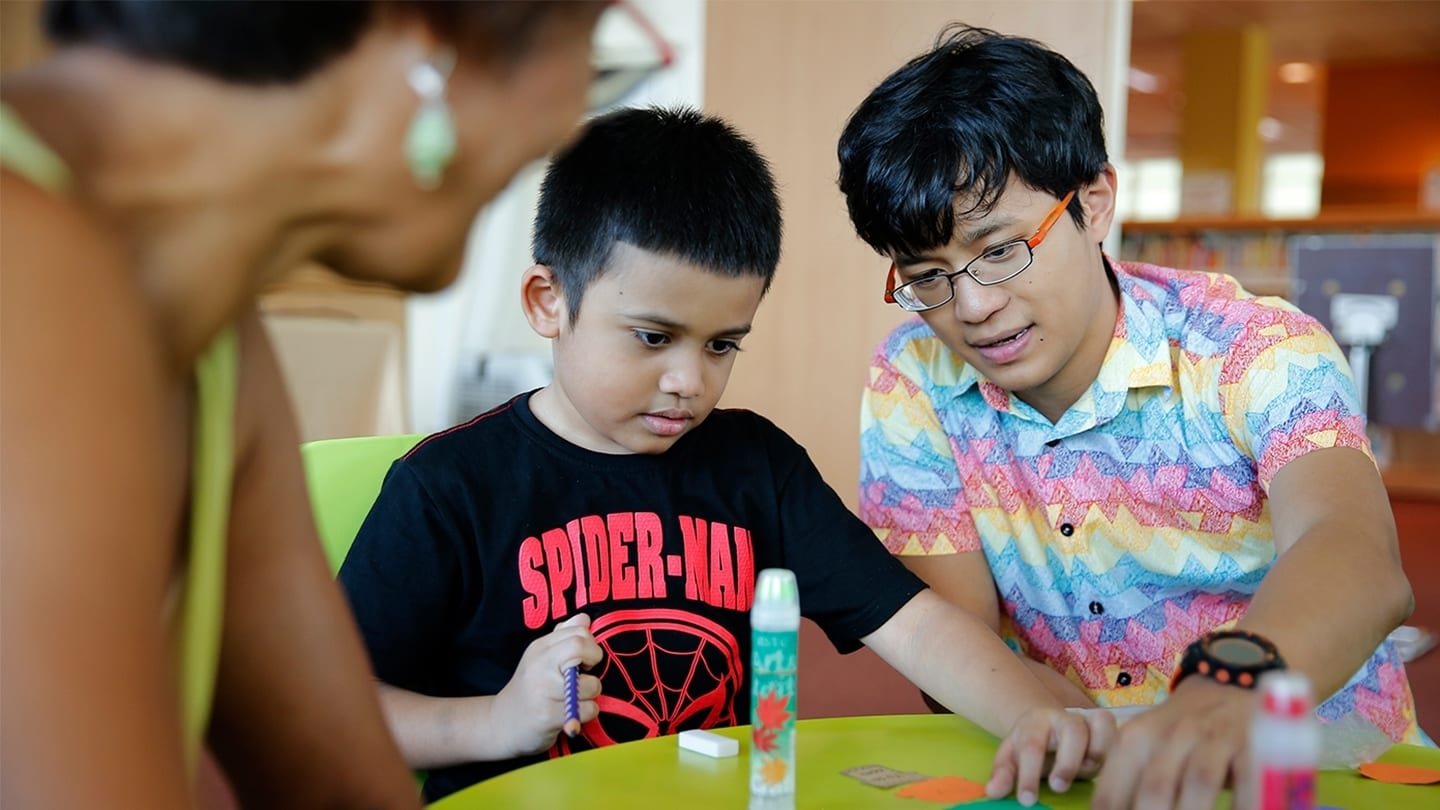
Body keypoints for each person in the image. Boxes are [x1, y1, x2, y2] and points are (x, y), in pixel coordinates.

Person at [338, 105, 1114, 803]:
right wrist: (496, 723)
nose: (688, 381)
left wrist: (1039, 718)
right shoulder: (447, 490)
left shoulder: (755, 468)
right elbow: (337, 709)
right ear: (550, 302)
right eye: (653, 336)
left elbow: (913, 625)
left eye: (722, 345)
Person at [0, 2, 607, 808]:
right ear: (427, 41)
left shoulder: (208, 330)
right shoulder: (31, 275)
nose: (641, 56)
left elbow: (340, 784)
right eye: (596, 24)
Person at [838, 23, 1422, 810]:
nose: (972, 306)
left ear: (1095, 201)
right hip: (1085, 783)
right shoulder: (913, 377)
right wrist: (1069, 731)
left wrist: (1229, 687)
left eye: (1001, 249)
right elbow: (955, 642)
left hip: (1322, 775)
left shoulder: (1254, 348)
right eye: (927, 275)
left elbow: (1352, 552)